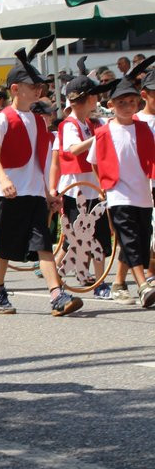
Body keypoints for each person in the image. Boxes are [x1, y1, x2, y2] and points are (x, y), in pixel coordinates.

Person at [0, 47, 82, 317]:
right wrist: (2, 179)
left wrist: (50, 192)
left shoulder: (39, 121)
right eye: (32, 86)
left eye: (40, 86)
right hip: (10, 192)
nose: (38, 90)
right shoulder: (3, 118)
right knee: (4, 245)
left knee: (43, 244)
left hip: (35, 192)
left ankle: (56, 294)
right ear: (15, 89)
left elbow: (43, 161)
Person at [88, 70, 155, 307]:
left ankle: (118, 283)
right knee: (129, 238)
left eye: (131, 102)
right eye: (122, 102)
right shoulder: (104, 131)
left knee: (140, 239)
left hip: (143, 194)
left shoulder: (144, 128)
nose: (128, 106)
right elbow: (94, 161)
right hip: (118, 193)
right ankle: (143, 285)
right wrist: (104, 186)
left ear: (138, 102)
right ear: (111, 105)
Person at [48, 76, 113, 299]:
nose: (98, 99)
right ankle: (54, 275)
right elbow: (74, 150)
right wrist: (100, 136)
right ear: (87, 98)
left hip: (94, 186)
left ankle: (100, 282)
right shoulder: (69, 125)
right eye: (95, 95)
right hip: (76, 190)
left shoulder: (91, 124)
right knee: (74, 238)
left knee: (100, 236)